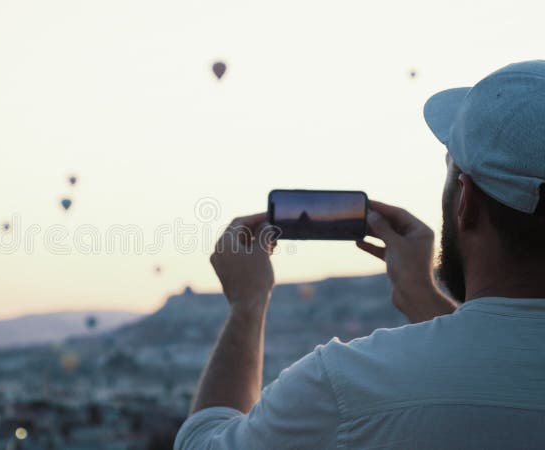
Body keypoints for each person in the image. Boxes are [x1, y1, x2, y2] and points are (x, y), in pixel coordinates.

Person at [174, 60, 545, 450]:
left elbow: (201, 443)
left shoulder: (345, 387)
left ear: (465, 200)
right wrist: (419, 293)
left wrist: (247, 306)